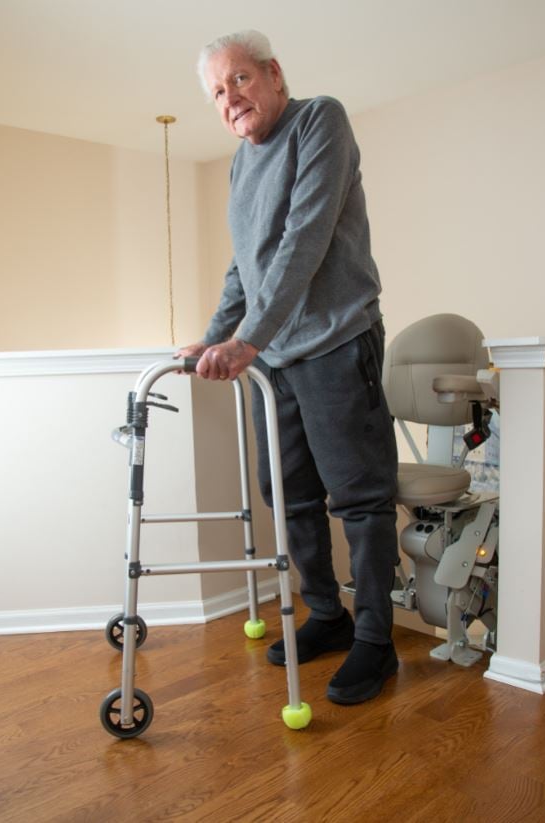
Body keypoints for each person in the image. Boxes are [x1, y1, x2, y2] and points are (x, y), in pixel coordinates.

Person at [177, 30, 399, 705]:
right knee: (289, 492)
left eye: (238, 80)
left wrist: (245, 343)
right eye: (217, 92)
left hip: (335, 342)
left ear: (272, 74)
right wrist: (213, 338)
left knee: (359, 498)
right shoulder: (241, 164)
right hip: (274, 362)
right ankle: (326, 613)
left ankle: (375, 639)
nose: (230, 99)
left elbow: (304, 240)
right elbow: (244, 268)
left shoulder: (319, 119)